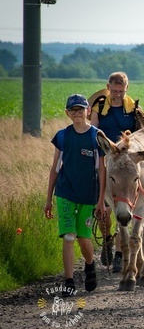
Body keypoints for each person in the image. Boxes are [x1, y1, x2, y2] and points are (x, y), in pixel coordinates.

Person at [44, 94, 106, 296]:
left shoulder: (96, 136)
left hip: (88, 194)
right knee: (69, 237)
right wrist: (48, 199)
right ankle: (69, 281)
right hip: (65, 192)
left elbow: (101, 170)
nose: (77, 113)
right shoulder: (62, 136)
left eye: (81, 109)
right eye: (73, 110)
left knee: (83, 237)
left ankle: (89, 265)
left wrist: (101, 200)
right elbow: (55, 169)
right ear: (67, 113)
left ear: (88, 111)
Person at [90, 71, 138, 271]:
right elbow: (93, 131)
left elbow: (137, 133)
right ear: (108, 87)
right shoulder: (99, 106)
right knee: (105, 208)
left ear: (126, 89)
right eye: (114, 90)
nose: (117, 94)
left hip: (124, 162)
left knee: (122, 204)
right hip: (104, 158)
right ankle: (107, 239)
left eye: (121, 91)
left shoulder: (133, 108)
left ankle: (119, 252)